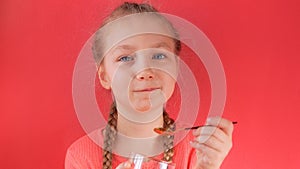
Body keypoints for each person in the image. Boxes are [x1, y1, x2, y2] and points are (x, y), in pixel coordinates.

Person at [65, 2, 234, 169]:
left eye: (159, 56)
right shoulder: (82, 155)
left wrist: (207, 166)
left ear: (176, 67)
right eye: (124, 58)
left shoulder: (197, 149)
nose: (145, 71)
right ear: (104, 75)